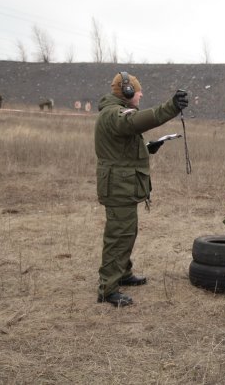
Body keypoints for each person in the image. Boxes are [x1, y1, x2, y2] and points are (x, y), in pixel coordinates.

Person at [94, 71, 188, 307]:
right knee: (118, 236)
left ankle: (123, 274)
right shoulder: (115, 114)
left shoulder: (114, 114)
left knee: (127, 232)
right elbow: (137, 121)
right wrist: (171, 107)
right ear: (126, 92)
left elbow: (121, 148)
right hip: (118, 187)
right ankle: (108, 289)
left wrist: (147, 147)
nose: (141, 93)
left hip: (122, 185)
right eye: (137, 90)